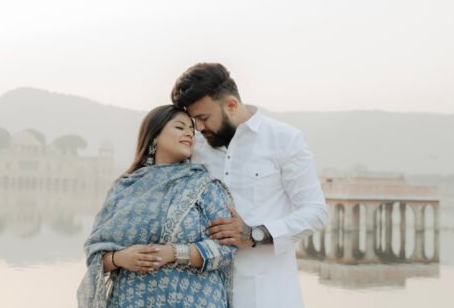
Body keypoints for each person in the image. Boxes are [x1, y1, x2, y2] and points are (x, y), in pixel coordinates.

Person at [171, 63, 329, 308]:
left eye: (203, 118)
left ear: (231, 105)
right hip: (203, 294)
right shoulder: (195, 147)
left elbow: (316, 212)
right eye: (194, 120)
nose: (199, 128)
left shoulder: (284, 140)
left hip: (266, 295)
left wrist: (255, 234)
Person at [78, 104, 237, 308]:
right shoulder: (125, 188)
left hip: (194, 300)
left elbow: (226, 249)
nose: (189, 133)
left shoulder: (205, 187)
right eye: (180, 127)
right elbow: (95, 254)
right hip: (132, 301)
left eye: (192, 130)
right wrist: (121, 258)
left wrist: (174, 253)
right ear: (154, 136)